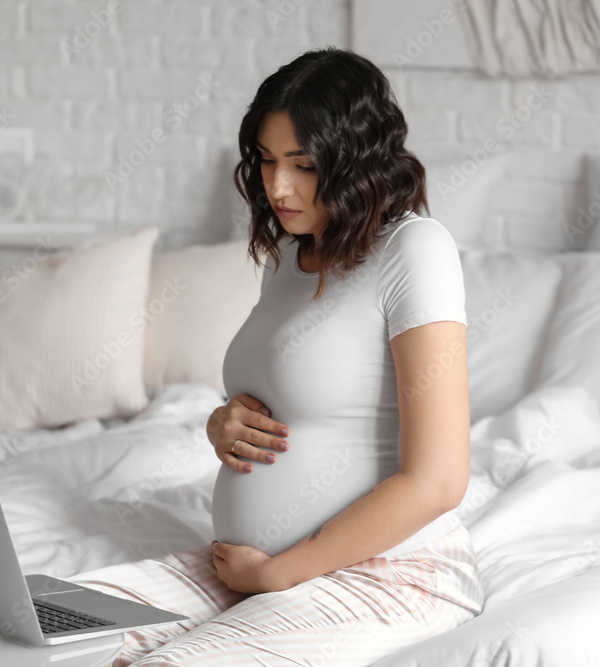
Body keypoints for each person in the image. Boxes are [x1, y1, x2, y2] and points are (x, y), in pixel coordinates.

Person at [65, 46, 485, 666]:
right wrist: (222, 423)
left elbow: (439, 480)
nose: (277, 187)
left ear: (358, 161)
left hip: (389, 576)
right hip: (247, 572)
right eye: (265, 161)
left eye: (303, 164)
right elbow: (296, 400)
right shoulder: (291, 256)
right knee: (33, 629)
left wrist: (280, 574)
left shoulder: (416, 250)